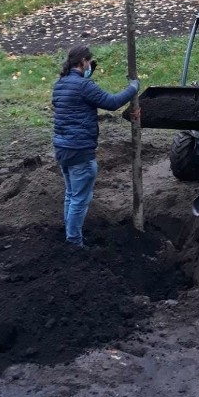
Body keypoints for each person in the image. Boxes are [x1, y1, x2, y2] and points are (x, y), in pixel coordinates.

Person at [52, 44, 139, 248]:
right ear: (83, 62)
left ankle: (70, 235)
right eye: (90, 62)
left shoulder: (60, 84)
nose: (91, 65)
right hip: (80, 149)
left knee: (71, 195)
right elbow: (112, 102)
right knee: (80, 199)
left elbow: (67, 107)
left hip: (62, 148)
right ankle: (74, 242)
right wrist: (133, 87)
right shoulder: (84, 85)